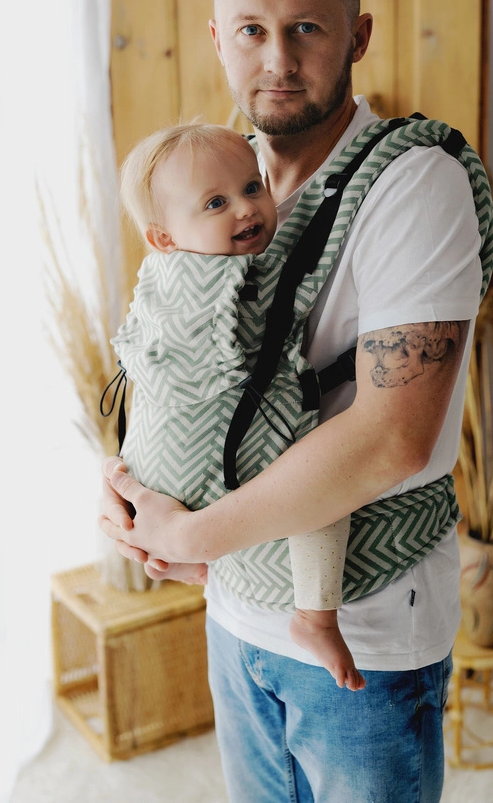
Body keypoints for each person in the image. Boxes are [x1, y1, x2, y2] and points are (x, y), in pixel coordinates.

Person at [99, 0, 493, 801]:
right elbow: (174, 360)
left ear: (357, 35)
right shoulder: (213, 181)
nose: (275, 57)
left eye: (306, 27)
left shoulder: (413, 182)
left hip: (365, 631)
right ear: (218, 40)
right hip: (237, 609)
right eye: (251, 29)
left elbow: (391, 439)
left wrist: (190, 534)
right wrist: (132, 487)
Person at [109, 120, 363, 690]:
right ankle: (315, 617)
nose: (246, 209)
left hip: (149, 469)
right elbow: (306, 271)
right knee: (324, 491)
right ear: (164, 238)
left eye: (252, 187)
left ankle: (185, 557)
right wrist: (336, 206)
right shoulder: (236, 277)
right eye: (216, 203)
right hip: (192, 464)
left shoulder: (157, 278)